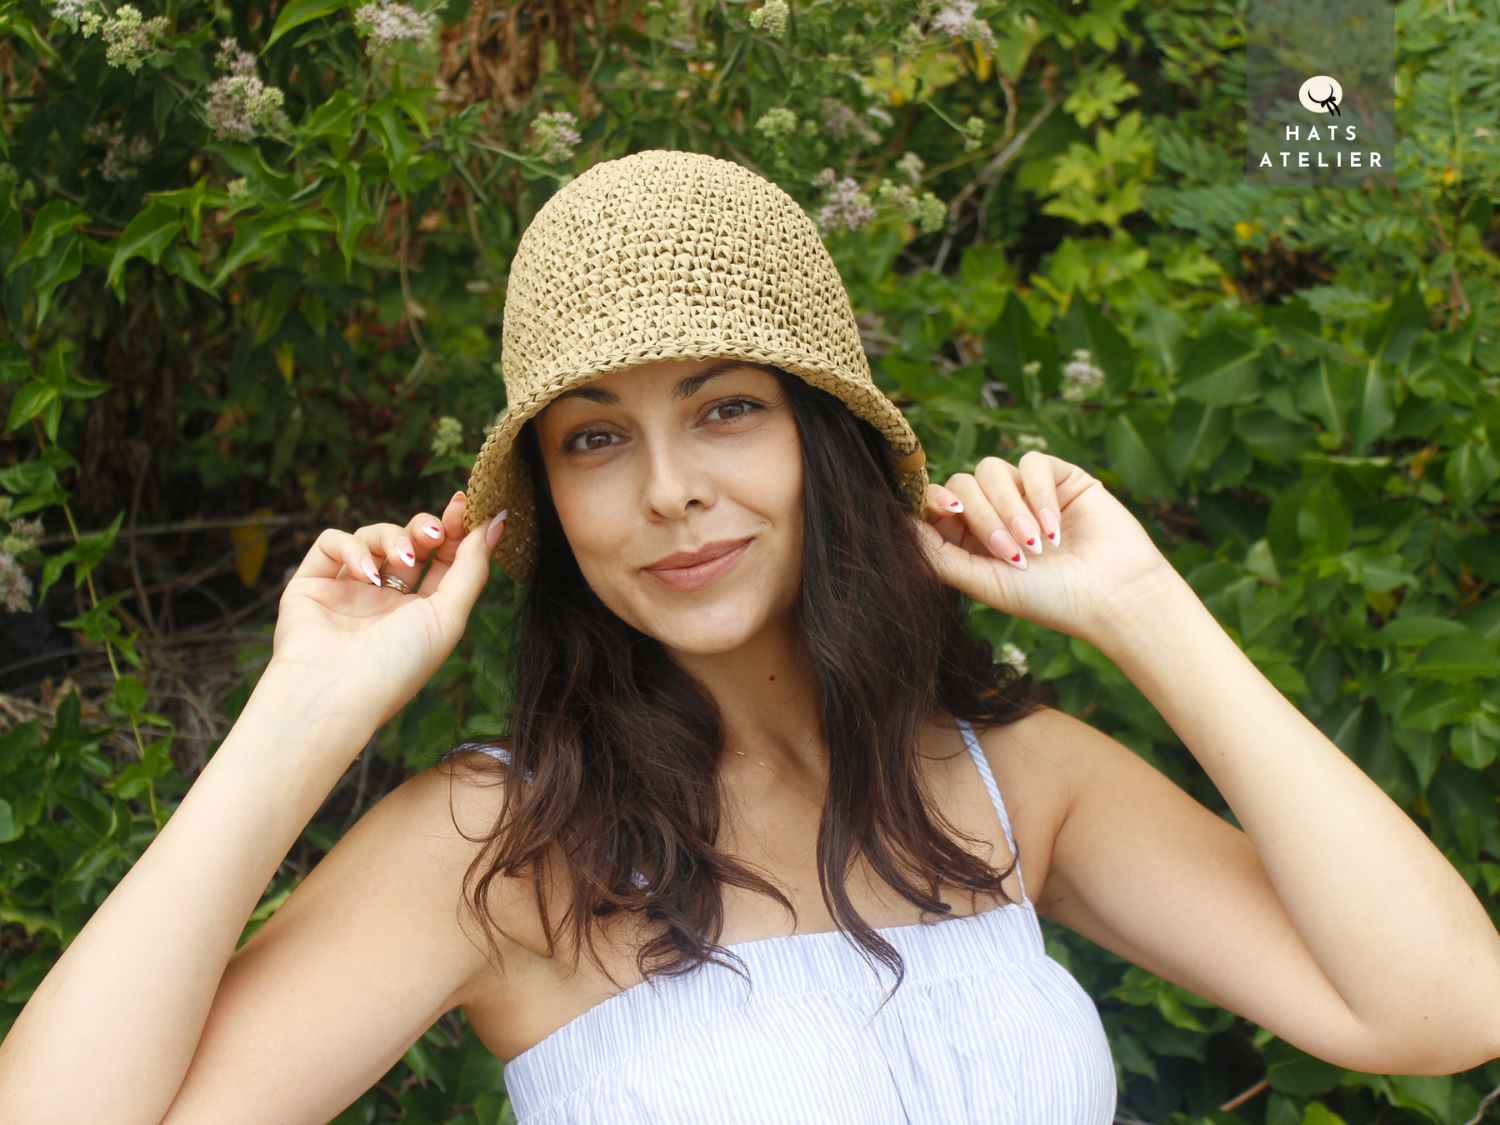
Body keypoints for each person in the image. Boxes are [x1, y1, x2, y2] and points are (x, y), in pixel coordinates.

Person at [3, 150, 1496, 1125]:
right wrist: (299, 712)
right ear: (549, 503)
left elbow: (1443, 1006)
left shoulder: (1004, 781)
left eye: (727, 408)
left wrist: (1144, 610)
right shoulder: (501, 845)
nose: (670, 493)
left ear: (822, 441)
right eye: (596, 440)